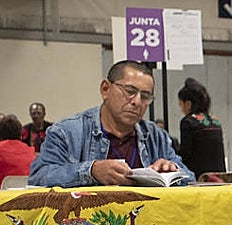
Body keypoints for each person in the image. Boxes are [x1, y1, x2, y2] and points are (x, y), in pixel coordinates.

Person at [29, 60, 192, 188]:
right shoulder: (67, 132)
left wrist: (172, 171)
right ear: (105, 89)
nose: (136, 102)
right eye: (130, 92)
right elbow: (39, 176)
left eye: (145, 96)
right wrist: (91, 171)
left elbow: (189, 176)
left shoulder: (156, 136)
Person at [177, 78, 226, 175]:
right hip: (220, 178)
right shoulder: (215, 121)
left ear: (188, 104)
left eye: (180, 105)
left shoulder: (188, 121)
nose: (181, 109)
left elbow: (185, 154)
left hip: (199, 179)